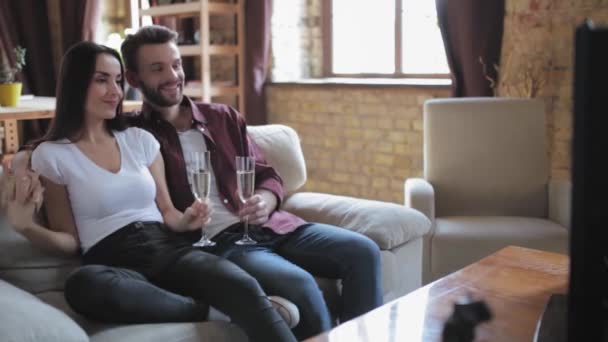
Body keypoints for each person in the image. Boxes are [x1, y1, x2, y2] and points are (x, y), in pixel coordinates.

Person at [107, 25, 381, 339]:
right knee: (300, 284)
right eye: (157, 69)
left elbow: (267, 175)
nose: (172, 75)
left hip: (275, 226)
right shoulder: (132, 136)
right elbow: (81, 143)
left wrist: (266, 199)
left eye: (176, 64)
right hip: (224, 245)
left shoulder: (223, 117)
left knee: (363, 250)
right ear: (132, 79)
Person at [25, 41, 297, 342]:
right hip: (112, 261)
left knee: (241, 284)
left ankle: (235, 306)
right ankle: (206, 311)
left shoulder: (139, 140)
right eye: (101, 80)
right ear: (76, 84)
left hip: (167, 249)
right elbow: (70, 241)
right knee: (84, 285)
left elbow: (169, 213)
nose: (115, 91)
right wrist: (24, 225)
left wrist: (188, 219)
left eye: (117, 80)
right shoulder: (50, 155)